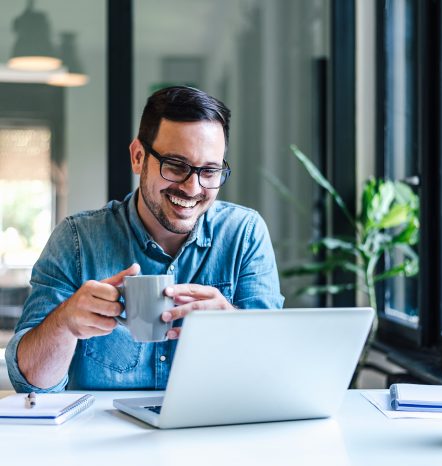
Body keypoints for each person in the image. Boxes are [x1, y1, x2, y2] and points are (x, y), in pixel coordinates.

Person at [6, 86, 284, 393]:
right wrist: (65, 323)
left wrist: (234, 323)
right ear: (139, 157)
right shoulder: (77, 241)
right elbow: (31, 384)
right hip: (101, 438)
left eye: (209, 171)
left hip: (210, 435)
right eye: (176, 166)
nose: (192, 188)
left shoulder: (244, 234)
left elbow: (275, 371)